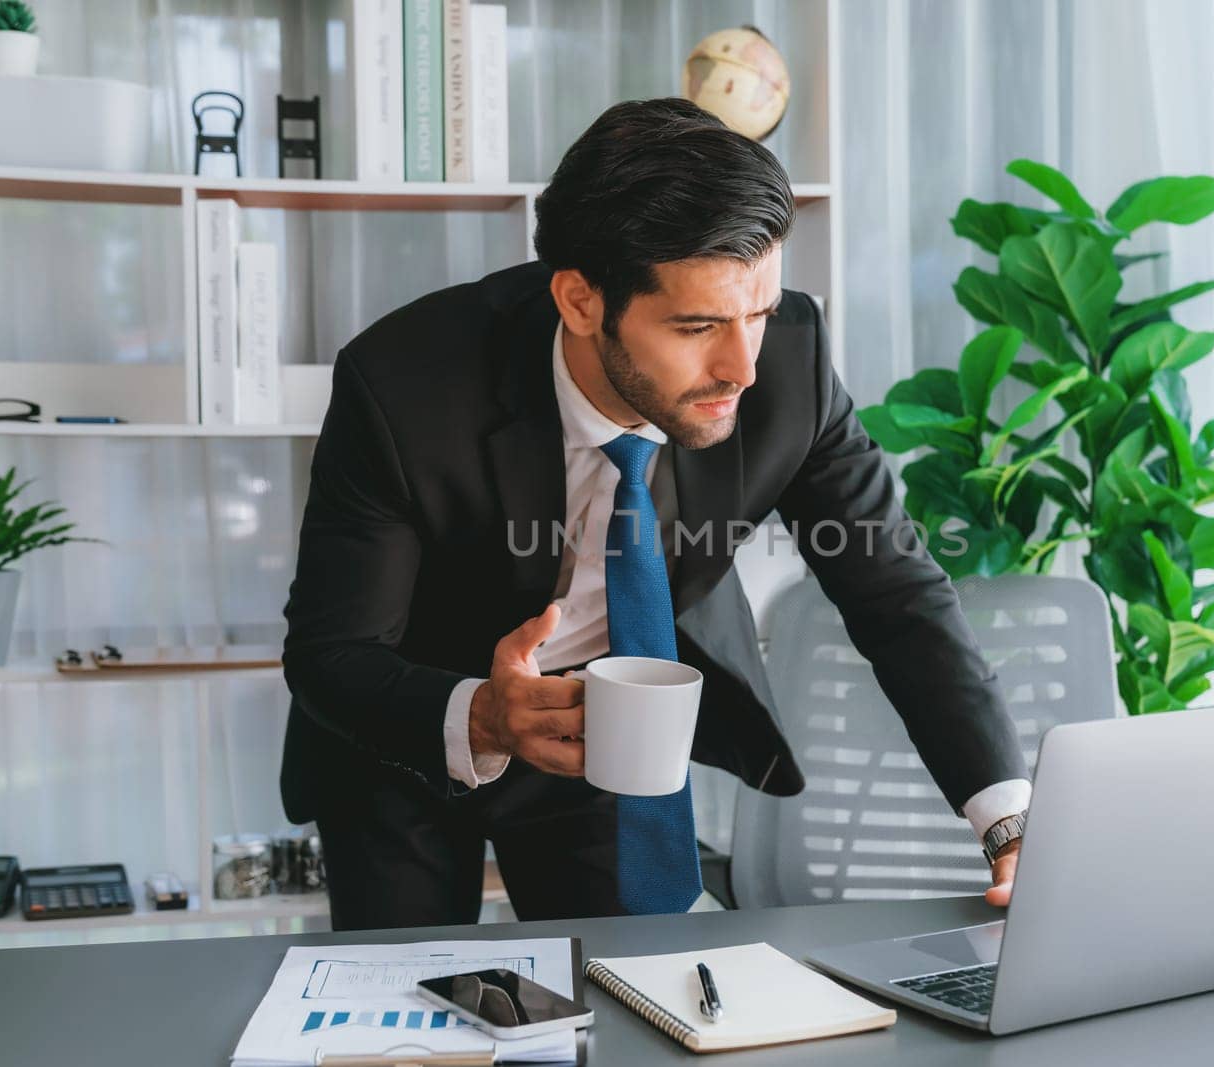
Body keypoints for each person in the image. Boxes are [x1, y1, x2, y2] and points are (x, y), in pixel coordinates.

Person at [280, 97, 1031, 930]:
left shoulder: (788, 364)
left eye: (760, 311)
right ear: (580, 300)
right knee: (408, 1013)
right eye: (698, 325)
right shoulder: (405, 386)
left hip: (603, 723)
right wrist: (483, 714)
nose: (741, 367)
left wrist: (1007, 817)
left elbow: (897, 592)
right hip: (409, 733)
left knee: (641, 991)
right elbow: (332, 650)